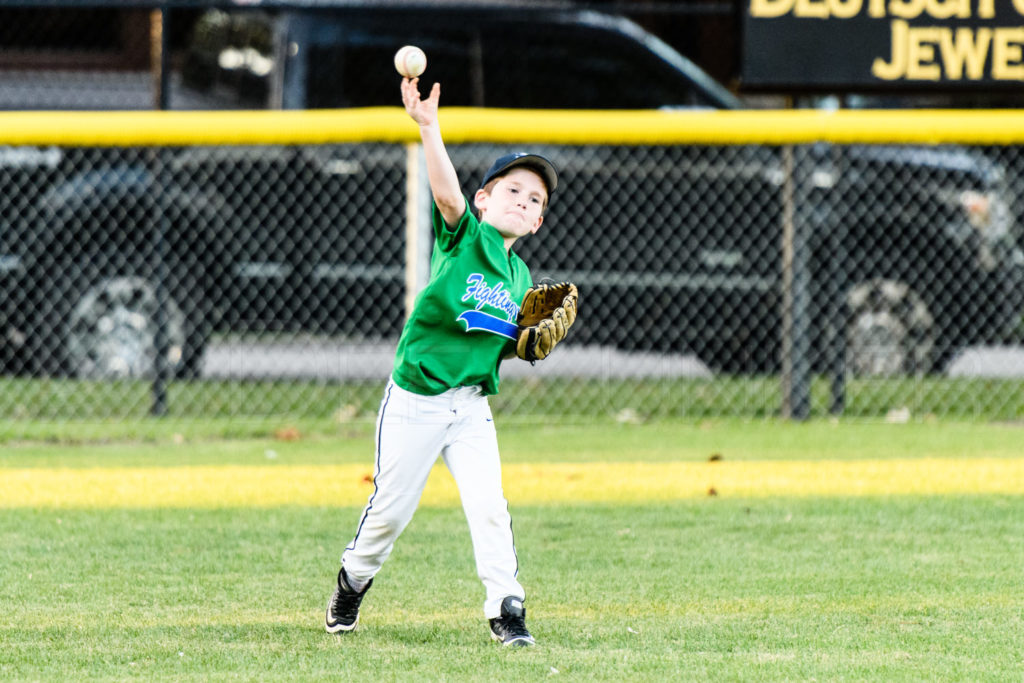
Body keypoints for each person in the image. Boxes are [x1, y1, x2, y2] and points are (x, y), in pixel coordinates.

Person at [324, 75, 560, 647]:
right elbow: (447, 195)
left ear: (537, 223)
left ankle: (507, 611)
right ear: (485, 201)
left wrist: (526, 342)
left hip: (470, 408)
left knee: (490, 509)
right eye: (512, 189)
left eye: (535, 200)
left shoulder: (522, 278)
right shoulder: (464, 238)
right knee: (389, 516)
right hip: (416, 401)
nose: (523, 200)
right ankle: (352, 581)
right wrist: (429, 128)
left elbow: (499, 340)